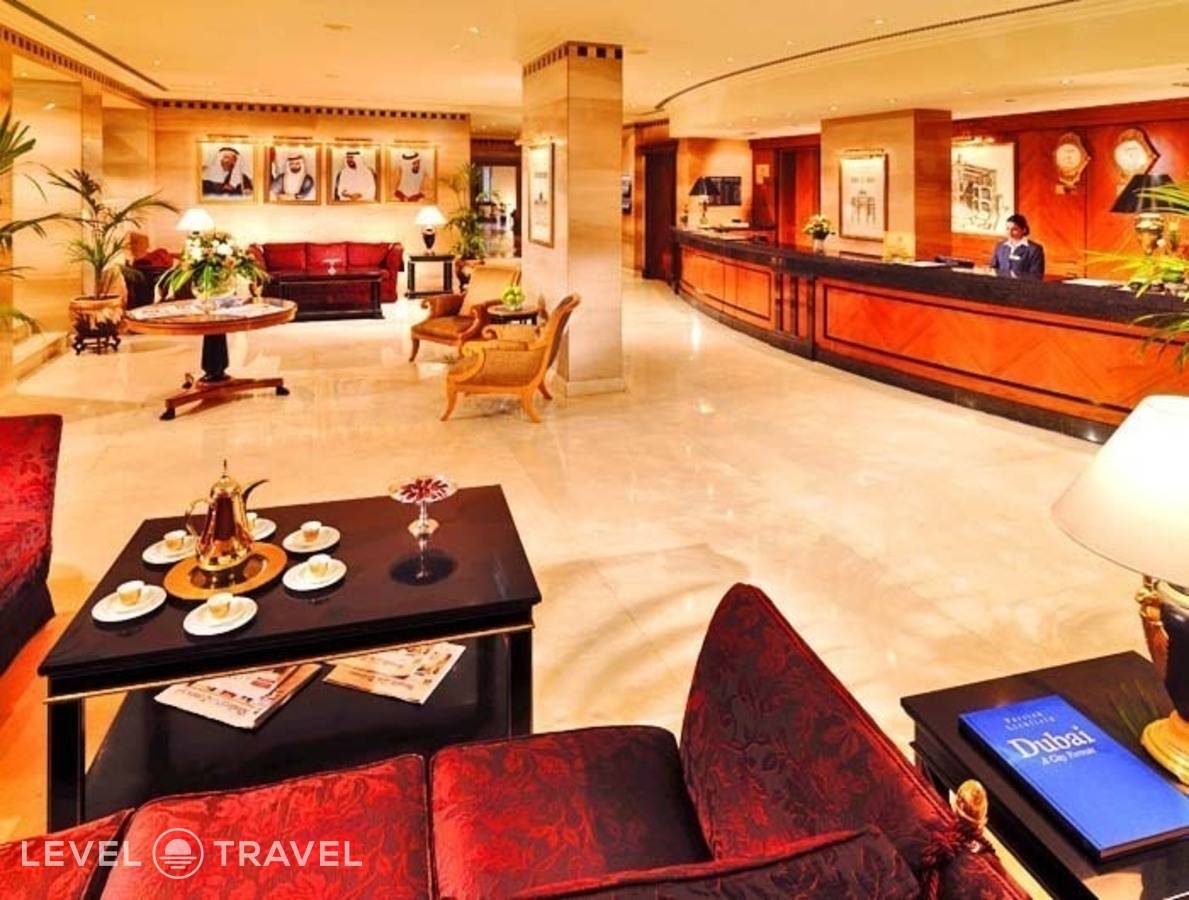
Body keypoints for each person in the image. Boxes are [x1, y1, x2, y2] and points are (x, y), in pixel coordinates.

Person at [990, 213, 1045, 279]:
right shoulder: (1000, 246)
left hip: (1022, 285)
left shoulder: (1035, 249)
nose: (1009, 233)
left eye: (1014, 229)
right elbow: (993, 270)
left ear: (1024, 230)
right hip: (1000, 284)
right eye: (1007, 229)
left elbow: (1036, 276)